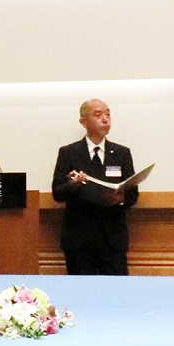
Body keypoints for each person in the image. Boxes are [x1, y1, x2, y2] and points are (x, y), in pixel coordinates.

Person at [50, 98, 138, 275]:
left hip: (113, 237)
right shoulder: (69, 152)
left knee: (117, 292)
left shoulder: (122, 153)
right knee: (80, 294)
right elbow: (57, 193)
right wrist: (74, 185)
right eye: (98, 115)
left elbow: (133, 193)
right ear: (83, 122)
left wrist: (120, 199)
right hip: (79, 238)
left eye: (108, 114)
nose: (105, 119)